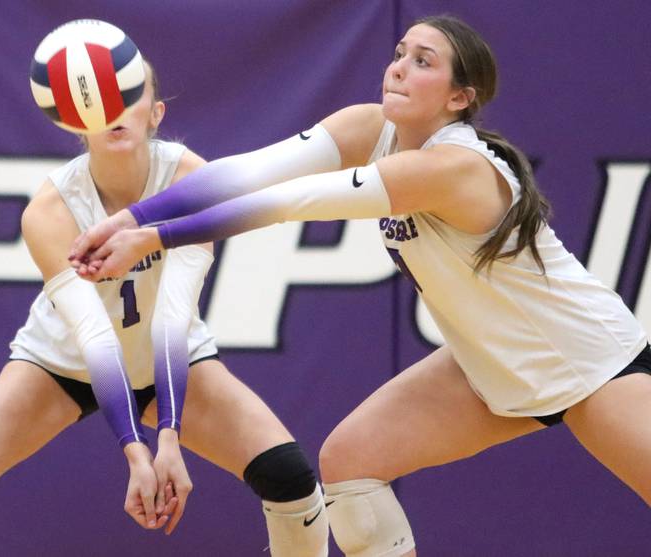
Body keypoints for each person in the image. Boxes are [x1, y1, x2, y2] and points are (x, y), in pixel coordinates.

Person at [69, 16, 651, 556]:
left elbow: (290, 202)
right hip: (491, 362)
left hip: (588, 361)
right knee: (351, 461)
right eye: (399, 53)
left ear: (459, 98)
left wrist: (154, 238)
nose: (398, 67)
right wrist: (130, 219)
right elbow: (250, 172)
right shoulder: (369, 127)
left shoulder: (454, 167)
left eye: (424, 61)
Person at [0, 62, 329, 557]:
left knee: (290, 477)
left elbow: (174, 315)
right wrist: (135, 450)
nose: (115, 107)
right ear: (76, 119)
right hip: (61, 363)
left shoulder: (190, 178)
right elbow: (94, 337)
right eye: (101, 96)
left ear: (156, 113)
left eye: (130, 93)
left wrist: (167, 439)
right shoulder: (50, 210)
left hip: (169, 357)